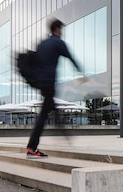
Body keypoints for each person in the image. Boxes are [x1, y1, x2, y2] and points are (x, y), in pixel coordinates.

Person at [26, 19, 86, 159]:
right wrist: (81, 73)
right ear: (57, 29)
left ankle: (62, 132)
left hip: (41, 83)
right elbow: (70, 57)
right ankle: (33, 147)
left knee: (49, 109)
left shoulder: (42, 44)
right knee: (44, 115)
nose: (62, 32)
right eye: (61, 29)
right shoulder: (58, 43)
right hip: (49, 82)